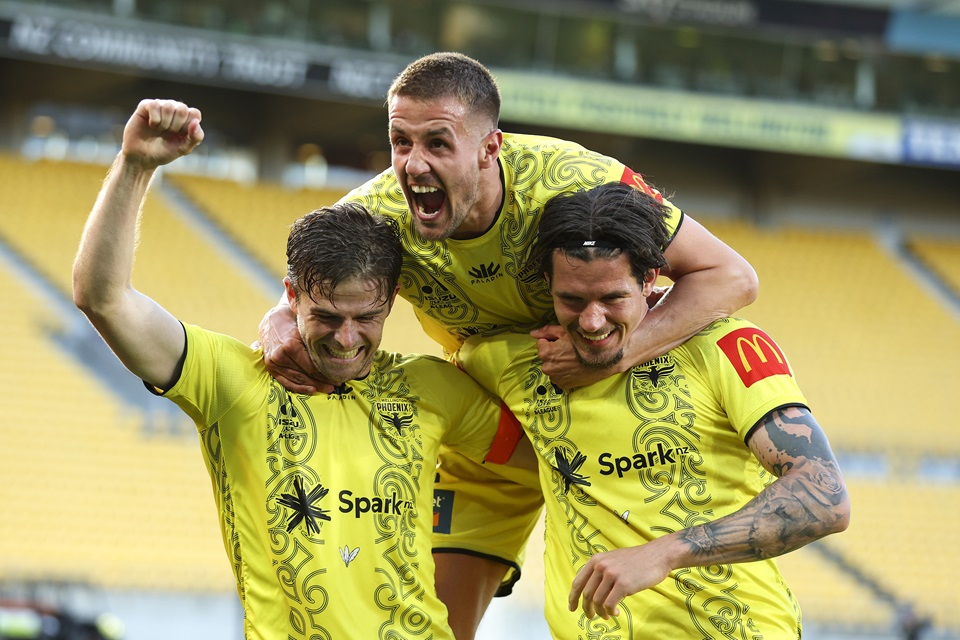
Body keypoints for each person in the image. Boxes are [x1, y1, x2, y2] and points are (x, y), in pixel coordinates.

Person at [255, 51, 760, 635]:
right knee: (436, 627)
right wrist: (275, 323)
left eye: (438, 144)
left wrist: (611, 355)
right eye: (399, 142)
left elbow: (732, 277)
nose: (413, 164)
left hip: (605, 405)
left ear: (490, 147)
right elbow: (296, 295)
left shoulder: (575, 182)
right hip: (491, 413)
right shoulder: (377, 216)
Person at [71, 99, 524, 639]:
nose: (348, 337)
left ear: (393, 298)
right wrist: (135, 165)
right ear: (291, 295)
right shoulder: (229, 381)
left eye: (367, 318)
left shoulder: (432, 388)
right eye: (328, 317)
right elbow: (104, 299)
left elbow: (543, 456)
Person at [449, 182, 851, 638]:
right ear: (548, 285)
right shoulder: (510, 363)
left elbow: (826, 497)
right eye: (572, 300)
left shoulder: (727, 346)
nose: (592, 321)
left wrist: (662, 553)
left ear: (649, 279)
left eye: (612, 299)